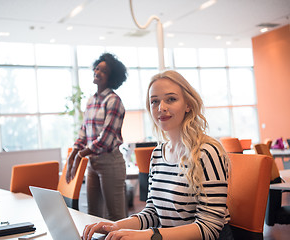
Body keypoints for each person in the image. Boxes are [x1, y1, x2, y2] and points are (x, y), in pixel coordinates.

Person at [82, 70, 233, 240]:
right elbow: (153, 211)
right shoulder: (158, 154)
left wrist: (151, 235)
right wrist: (116, 226)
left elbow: (210, 227)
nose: (161, 108)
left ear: (188, 104)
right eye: (154, 101)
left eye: (171, 99)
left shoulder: (207, 152)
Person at [66, 52, 128, 221]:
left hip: (110, 162)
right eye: (97, 68)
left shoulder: (114, 100)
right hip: (93, 163)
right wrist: (74, 153)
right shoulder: (91, 101)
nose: (97, 72)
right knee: (93, 216)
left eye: (103, 71)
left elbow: (106, 139)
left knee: (115, 217)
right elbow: (83, 132)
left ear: (112, 77)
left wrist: (80, 155)